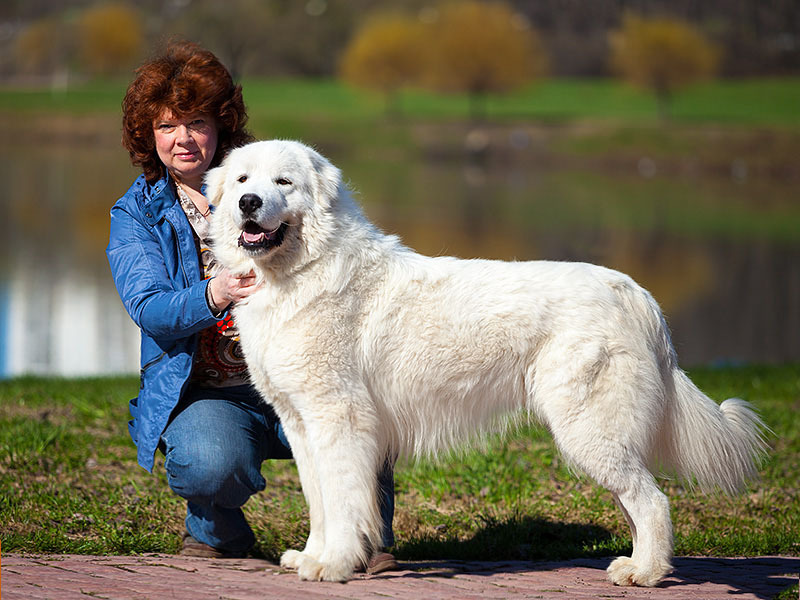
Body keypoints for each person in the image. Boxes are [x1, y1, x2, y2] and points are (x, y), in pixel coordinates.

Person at [106, 40, 397, 573]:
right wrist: (214, 293)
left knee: (350, 412)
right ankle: (218, 532)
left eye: (196, 122)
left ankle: (363, 539)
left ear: (221, 124)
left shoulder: (267, 176)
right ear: (148, 134)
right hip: (215, 391)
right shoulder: (135, 215)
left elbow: (343, 250)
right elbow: (149, 307)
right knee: (209, 462)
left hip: (310, 363)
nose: (183, 138)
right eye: (167, 126)